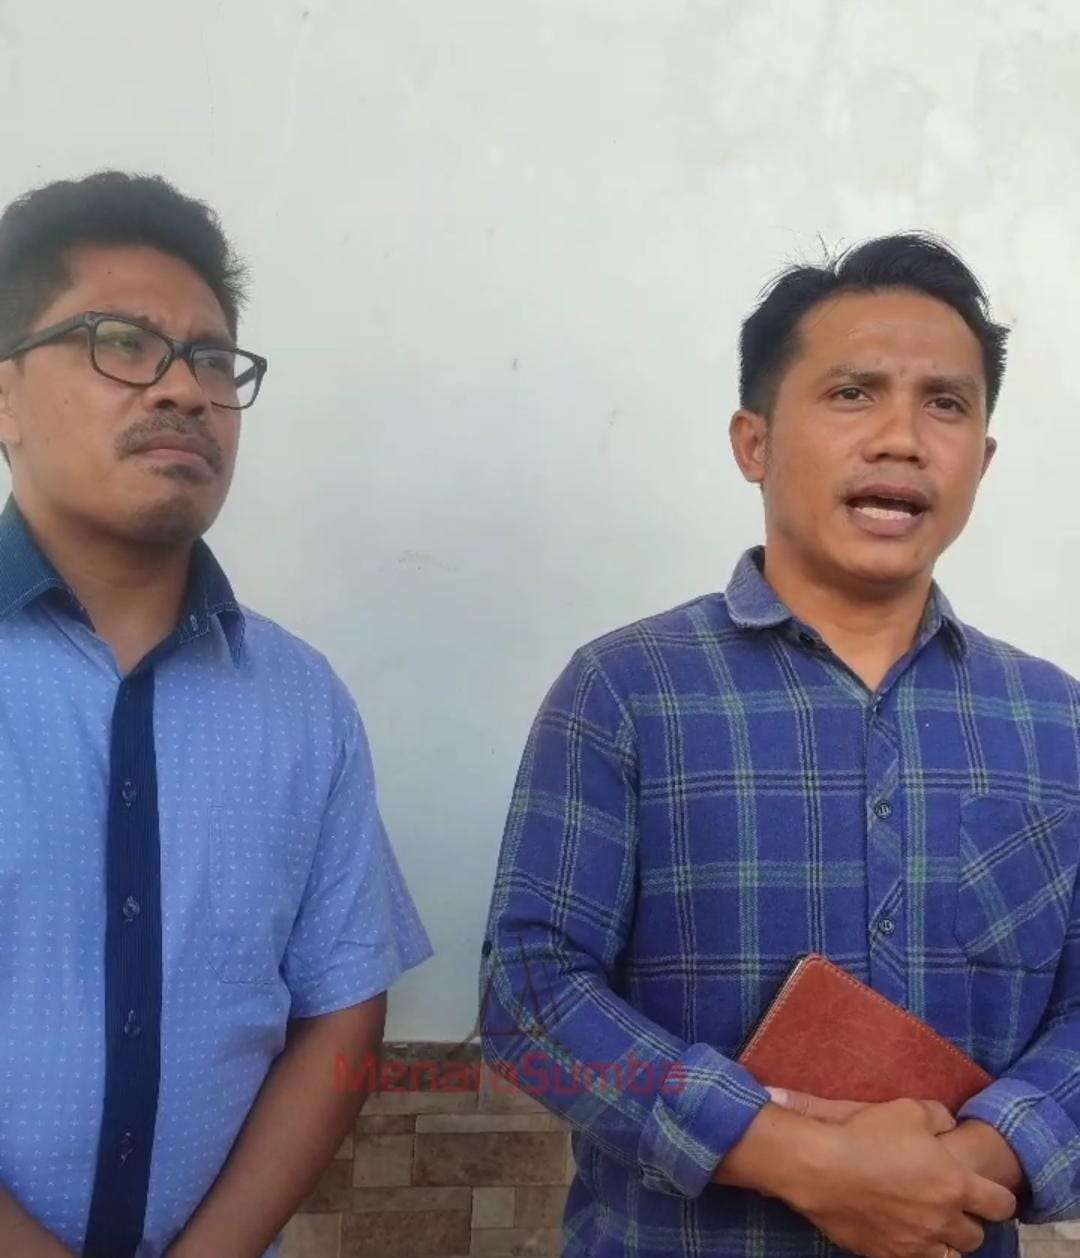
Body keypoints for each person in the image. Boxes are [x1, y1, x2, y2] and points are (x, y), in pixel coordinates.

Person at [481, 233, 1080, 1257]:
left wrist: (979, 1158)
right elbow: (529, 995)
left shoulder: (1055, 722)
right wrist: (797, 1157)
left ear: (981, 460)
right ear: (753, 443)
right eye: (852, 393)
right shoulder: (625, 692)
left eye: (945, 404)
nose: (902, 438)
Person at [0, 171, 431, 1258]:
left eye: (211, 360)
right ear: (4, 397)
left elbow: (341, 1013)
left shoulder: (302, 703)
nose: (186, 391)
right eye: (123, 343)